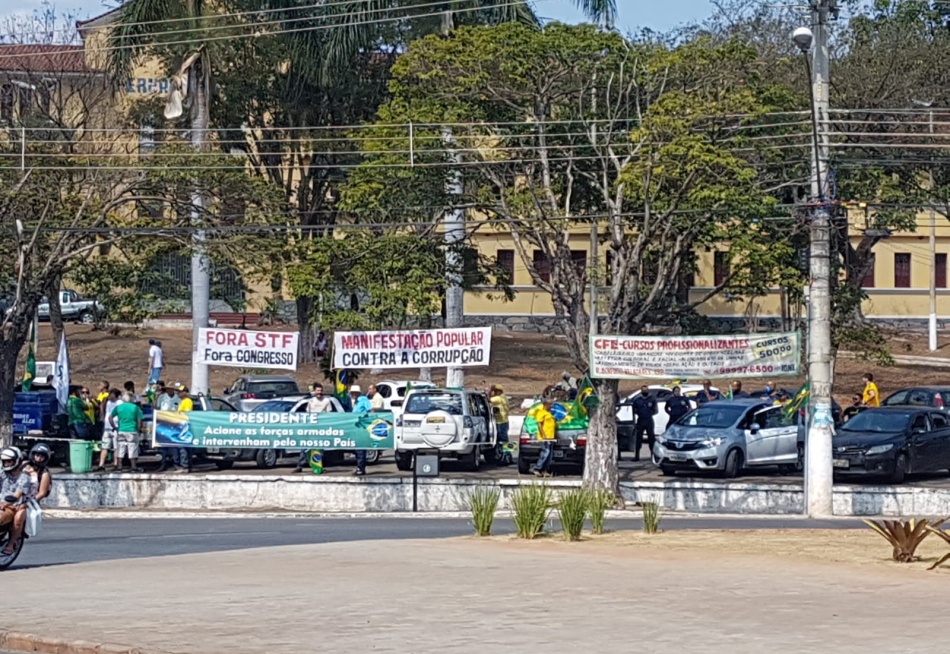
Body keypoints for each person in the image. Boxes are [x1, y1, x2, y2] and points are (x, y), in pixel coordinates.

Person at [295, 384, 333, 473]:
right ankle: (299, 465)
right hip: (311, 427)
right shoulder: (311, 401)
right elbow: (308, 414)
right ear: (315, 391)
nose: (319, 392)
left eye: (321, 390)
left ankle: (318, 467)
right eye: (317, 390)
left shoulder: (327, 401)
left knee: (320, 448)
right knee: (305, 446)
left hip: (321, 427)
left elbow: (329, 414)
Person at [0, 447, 28, 555]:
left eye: (9, 461)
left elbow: (17, 495)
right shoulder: (2, 474)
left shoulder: (24, 477)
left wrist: (6, 503)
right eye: (4, 462)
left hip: (14, 506)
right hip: (1, 503)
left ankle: (11, 543)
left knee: (18, 517)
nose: (6, 464)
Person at [110, 392, 144, 472]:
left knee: (120, 448)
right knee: (132, 448)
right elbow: (139, 420)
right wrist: (139, 429)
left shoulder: (119, 407)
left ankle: (119, 466)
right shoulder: (136, 408)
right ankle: (133, 466)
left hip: (121, 430)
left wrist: (114, 427)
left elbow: (110, 417)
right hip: (132, 430)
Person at [96, 388, 122, 472]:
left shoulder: (120, 403)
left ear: (116, 395)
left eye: (111, 394)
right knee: (104, 447)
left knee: (116, 447)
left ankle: (115, 464)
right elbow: (104, 410)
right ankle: (101, 464)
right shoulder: (108, 402)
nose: (110, 396)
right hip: (107, 427)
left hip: (116, 427)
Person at [532, 393, 558, 477]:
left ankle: (544, 470)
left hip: (551, 437)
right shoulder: (541, 412)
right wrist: (543, 435)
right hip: (545, 437)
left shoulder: (549, 414)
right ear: (546, 405)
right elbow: (539, 424)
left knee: (549, 455)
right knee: (545, 453)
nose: (551, 407)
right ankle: (537, 468)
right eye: (550, 405)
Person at [631, 386, 659, 461]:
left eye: (646, 390)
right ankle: (637, 456)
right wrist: (640, 413)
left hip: (649, 420)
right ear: (641, 391)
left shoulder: (652, 399)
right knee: (638, 439)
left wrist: (649, 413)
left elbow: (656, 410)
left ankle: (652, 457)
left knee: (651, 439)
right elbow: (634, 410)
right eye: (643, 390)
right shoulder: (637, 400)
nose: (645, 391)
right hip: (640, 420)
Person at [349, 385, 371, 476]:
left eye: (354, 393)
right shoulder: (357, 401)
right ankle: (360, 467)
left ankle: (361, 468)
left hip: (362, 427)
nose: (353, 394)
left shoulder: (364, 400)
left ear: (358, 393)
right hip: (356, 428)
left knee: (360, 449)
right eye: (352, 393)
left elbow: (370, 410)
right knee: (357, 449)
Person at [171, 386, 194, 473]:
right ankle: (186, 466)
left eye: (180, 392)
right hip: (181, 425)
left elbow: (186, 413)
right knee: (183, 447)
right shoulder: (182, 401)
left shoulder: (187, 401)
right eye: (178, 392)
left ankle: (184, 466)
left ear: (185, 392)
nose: (178, 394)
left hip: (184, 426)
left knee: (182, 447)